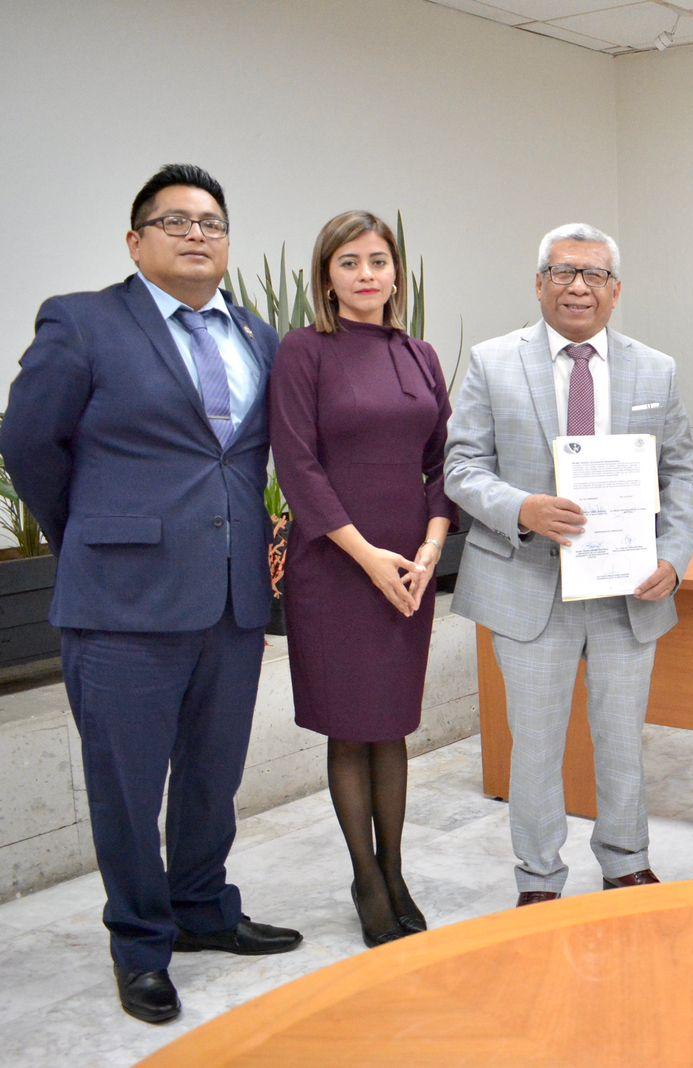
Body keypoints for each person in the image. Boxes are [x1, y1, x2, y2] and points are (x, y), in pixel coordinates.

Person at [0, 164, 302, 1024]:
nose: (197, 233)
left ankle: (204, 909)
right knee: (126, 786)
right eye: (175, 221)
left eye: (212, 222)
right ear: (136, 241)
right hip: (120, 602)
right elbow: (29, 443)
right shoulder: (85, 320)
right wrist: (95, 533)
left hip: (233, 600)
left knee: (213, 773)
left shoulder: (258, 333)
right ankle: (140, 941)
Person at [445, 223, 693, 904]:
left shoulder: (656, 368)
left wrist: (674, 558)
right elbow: (461, 466)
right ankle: (538, 876)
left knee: (622, 738)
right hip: (530, 584)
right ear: (539, 284)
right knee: (534, 746)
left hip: (628, 588)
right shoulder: (494, 362)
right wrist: (521, 508)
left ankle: (625, 860)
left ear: (616, 291)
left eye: (593, 275)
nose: (578, 286)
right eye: (563, 272)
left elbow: (682, 475)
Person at [268, 211, 454, 946]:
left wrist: (434, 543)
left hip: (412, 564)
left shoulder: (421, 355)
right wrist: (367, 555)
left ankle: (396, 867)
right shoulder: (305, 351)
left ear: (397, 274)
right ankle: (365, 877)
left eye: (379, 260)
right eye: (350, 262)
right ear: (327, 277)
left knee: (393, 724)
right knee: (351, 729)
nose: (367, 274)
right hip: (337, 566)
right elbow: (297, 465)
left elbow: (445, 459)